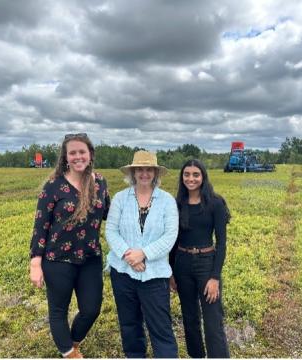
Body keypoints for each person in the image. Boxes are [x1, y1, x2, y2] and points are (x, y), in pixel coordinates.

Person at [29, 133, 110, 358]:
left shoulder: (100, 183)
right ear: (65, 157)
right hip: (57, 260)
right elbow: (40, 226)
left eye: (81, 151)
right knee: (58, 311)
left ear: (90, 154)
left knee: (91, 309)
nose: (77, 156)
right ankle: (69, 352)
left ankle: (73, 341)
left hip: (90, 257)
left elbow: (110, 214)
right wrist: (36, 263)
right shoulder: (53, 186)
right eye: (72, 152)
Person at [105, 150, 179, 358]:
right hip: (123, 273)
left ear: (155, 173)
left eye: (149, 170)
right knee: (129, 324)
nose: (144, 173)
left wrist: (143, 254)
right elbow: (111, 230)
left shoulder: (167, 201)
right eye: (140, 169)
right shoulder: (120, 198)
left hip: (155, 275)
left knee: (160, 327)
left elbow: (170, 235)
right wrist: (129, 255)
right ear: (133, 172)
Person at [169, 159, 231, 358]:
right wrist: (171, 272)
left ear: (203, 177)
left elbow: (221, 243)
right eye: (186, 174)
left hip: (206, 263)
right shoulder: (176, 204)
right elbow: (172, 241)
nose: (191, 179)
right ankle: (196, 356)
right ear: (182, 177)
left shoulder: (215, 203)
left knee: (213, 319)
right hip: (182, 264)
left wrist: (214, 277)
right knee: (189, 317)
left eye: (196, 174)